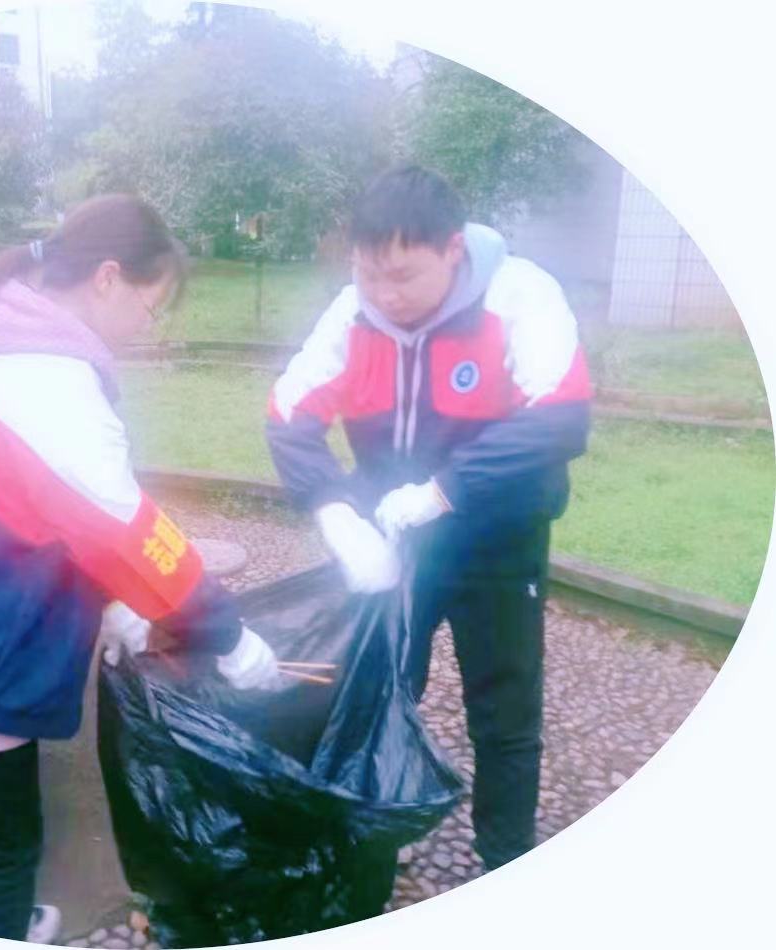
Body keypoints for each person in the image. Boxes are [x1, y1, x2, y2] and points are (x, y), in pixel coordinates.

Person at [0, 194, 281, 944]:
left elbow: (37, 511)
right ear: (109, 278)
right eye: (151, 306)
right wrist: (229, 636)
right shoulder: (47, 381)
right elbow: (128, 533)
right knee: (5, 846)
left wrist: (114, 606)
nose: (148, 326)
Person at [265, 166, 592, 899]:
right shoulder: (352, 314)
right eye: (368, 273)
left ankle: (505, 859)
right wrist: (335, 512)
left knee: (504, 708)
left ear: (452, 250)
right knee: (379, 694)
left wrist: (445, 491)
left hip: (498, 541)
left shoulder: (519, 295)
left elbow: (560, 419)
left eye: (403, 276)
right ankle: (379, 841)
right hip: (396, 544)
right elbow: (288, 413)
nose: (384, 295)